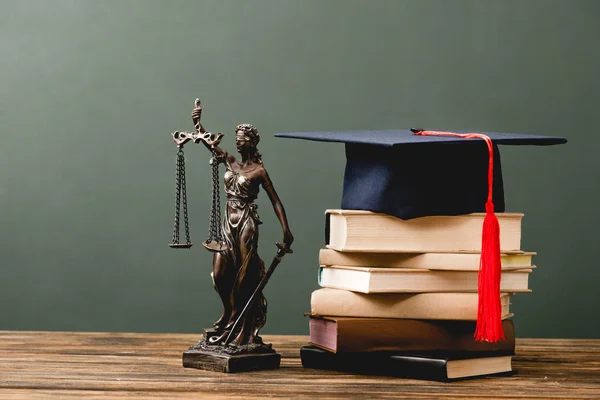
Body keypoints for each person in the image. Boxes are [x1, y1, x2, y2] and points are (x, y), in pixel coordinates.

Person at [196, 120, 293, 346]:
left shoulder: (259, 171)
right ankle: (230, 314)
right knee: (219, 274)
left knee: (244, 275)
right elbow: (209, 143)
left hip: (246, 221)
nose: (238, 142)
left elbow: (276, 201)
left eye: (243, 138)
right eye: (237, 138)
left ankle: (244, 327)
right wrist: (198, 125)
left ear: (252, 142)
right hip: (227, 222)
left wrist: (285, 229)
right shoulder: (230, 161)